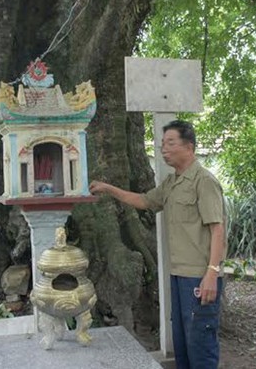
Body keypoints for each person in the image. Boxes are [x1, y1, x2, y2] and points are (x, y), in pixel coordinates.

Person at [89, 120, 226, 369]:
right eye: (162, 144)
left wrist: (212, 274)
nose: (164, 149)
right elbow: (143, 200)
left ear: (189, 146)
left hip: (198, 277)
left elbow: (217, 230)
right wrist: (108, 189)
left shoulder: (203, 181)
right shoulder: (172, 183)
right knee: (183, 346)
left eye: (170, 143)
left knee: (201, 347)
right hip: (178, 276)